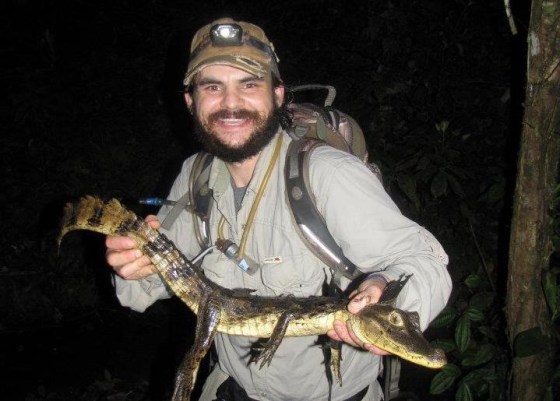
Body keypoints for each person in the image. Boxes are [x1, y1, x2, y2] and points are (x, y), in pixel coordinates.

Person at [105, 18, 452, 401]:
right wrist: (131, 266)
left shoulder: (327, 173)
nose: (230, 103)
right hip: (229, 387)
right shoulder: (194, 174)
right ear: (191, 101)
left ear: (277, 95)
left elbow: (423, 261)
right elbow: (139, 294)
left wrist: (385, 302)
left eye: (249, 84)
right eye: (212, 87)